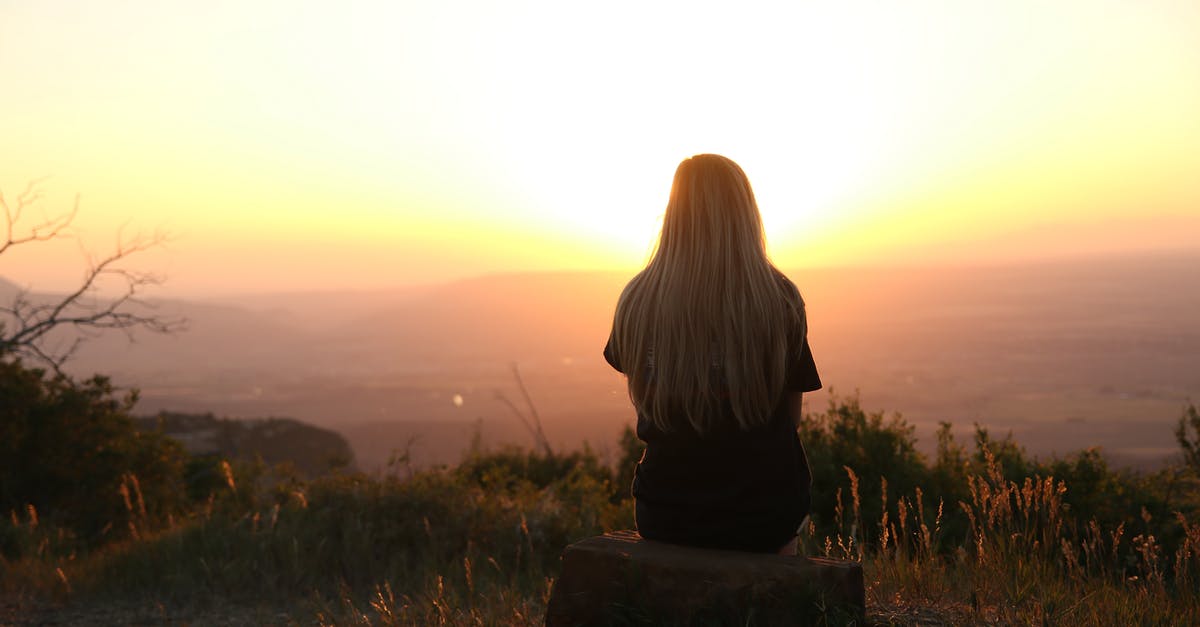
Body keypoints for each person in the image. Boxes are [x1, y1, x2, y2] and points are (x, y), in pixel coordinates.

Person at [603, 153, 821, 554]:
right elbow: (790, 421)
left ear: (673, 213)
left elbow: (646, 401)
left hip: (666, 513)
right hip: (764, 516)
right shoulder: (780, 300)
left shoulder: (636, 300)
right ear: (745, 215)